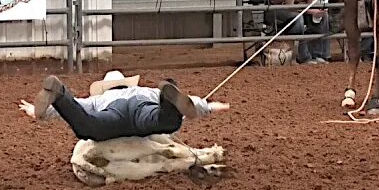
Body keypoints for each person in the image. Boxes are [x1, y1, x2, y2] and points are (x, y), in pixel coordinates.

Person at [19, 70, 229, 141]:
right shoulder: (146, 90)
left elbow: (78, 108)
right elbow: (192, 100)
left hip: (114, 112)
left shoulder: (97, 99)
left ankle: (60, 94)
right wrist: (208, 106)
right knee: (163, 121)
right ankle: (168, 99)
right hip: (142, 103)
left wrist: (40, 113)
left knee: (88, 126)